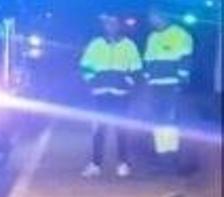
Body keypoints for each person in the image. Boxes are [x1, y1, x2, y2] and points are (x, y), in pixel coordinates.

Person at [79, 13, 143, 178]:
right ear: (104, 26)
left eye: (114, 23)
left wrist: (127, 82)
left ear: (119, 25)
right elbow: (84, 66)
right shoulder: (96, 44)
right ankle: (95, 164)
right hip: (100, 94)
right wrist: (93, 80)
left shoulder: (129, 45)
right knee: (99, 130)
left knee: (120, 129)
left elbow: (137, 69)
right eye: (107, 24)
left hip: (121, 94)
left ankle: (123, 163)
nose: (111, 27)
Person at [144, 6, 194, 165]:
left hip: (172, 83)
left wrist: (181, 80)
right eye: (150, 17)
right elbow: (148, 61)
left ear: (162, 15)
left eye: (153, 17)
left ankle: (172, 155)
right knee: (157, 120)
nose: (151, 20)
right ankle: (161, 155)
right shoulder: (152, 37)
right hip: (155, 84)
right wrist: (147, 79)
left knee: (170, 120)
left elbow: (186, 59)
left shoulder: (180, 34)